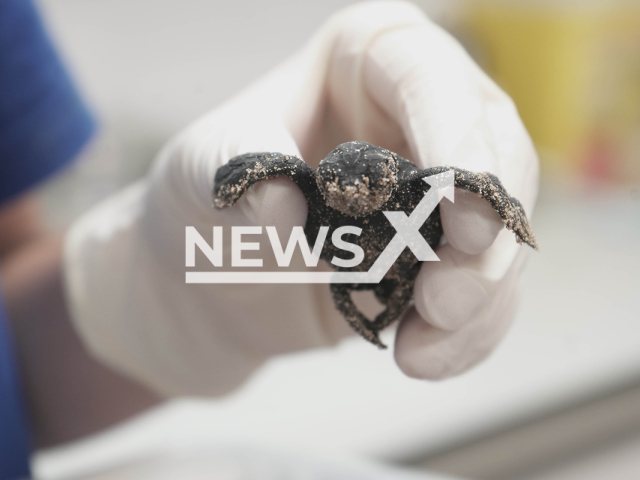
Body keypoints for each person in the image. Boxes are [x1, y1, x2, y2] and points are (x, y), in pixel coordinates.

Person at [0, 0, 539, 478]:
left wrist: (141, 292)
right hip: (345, 244)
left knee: (466, 212)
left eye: (360, 186)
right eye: (335, 186)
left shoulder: (418, 190)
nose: (348, 193)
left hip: (401, 241)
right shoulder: (307, 186)